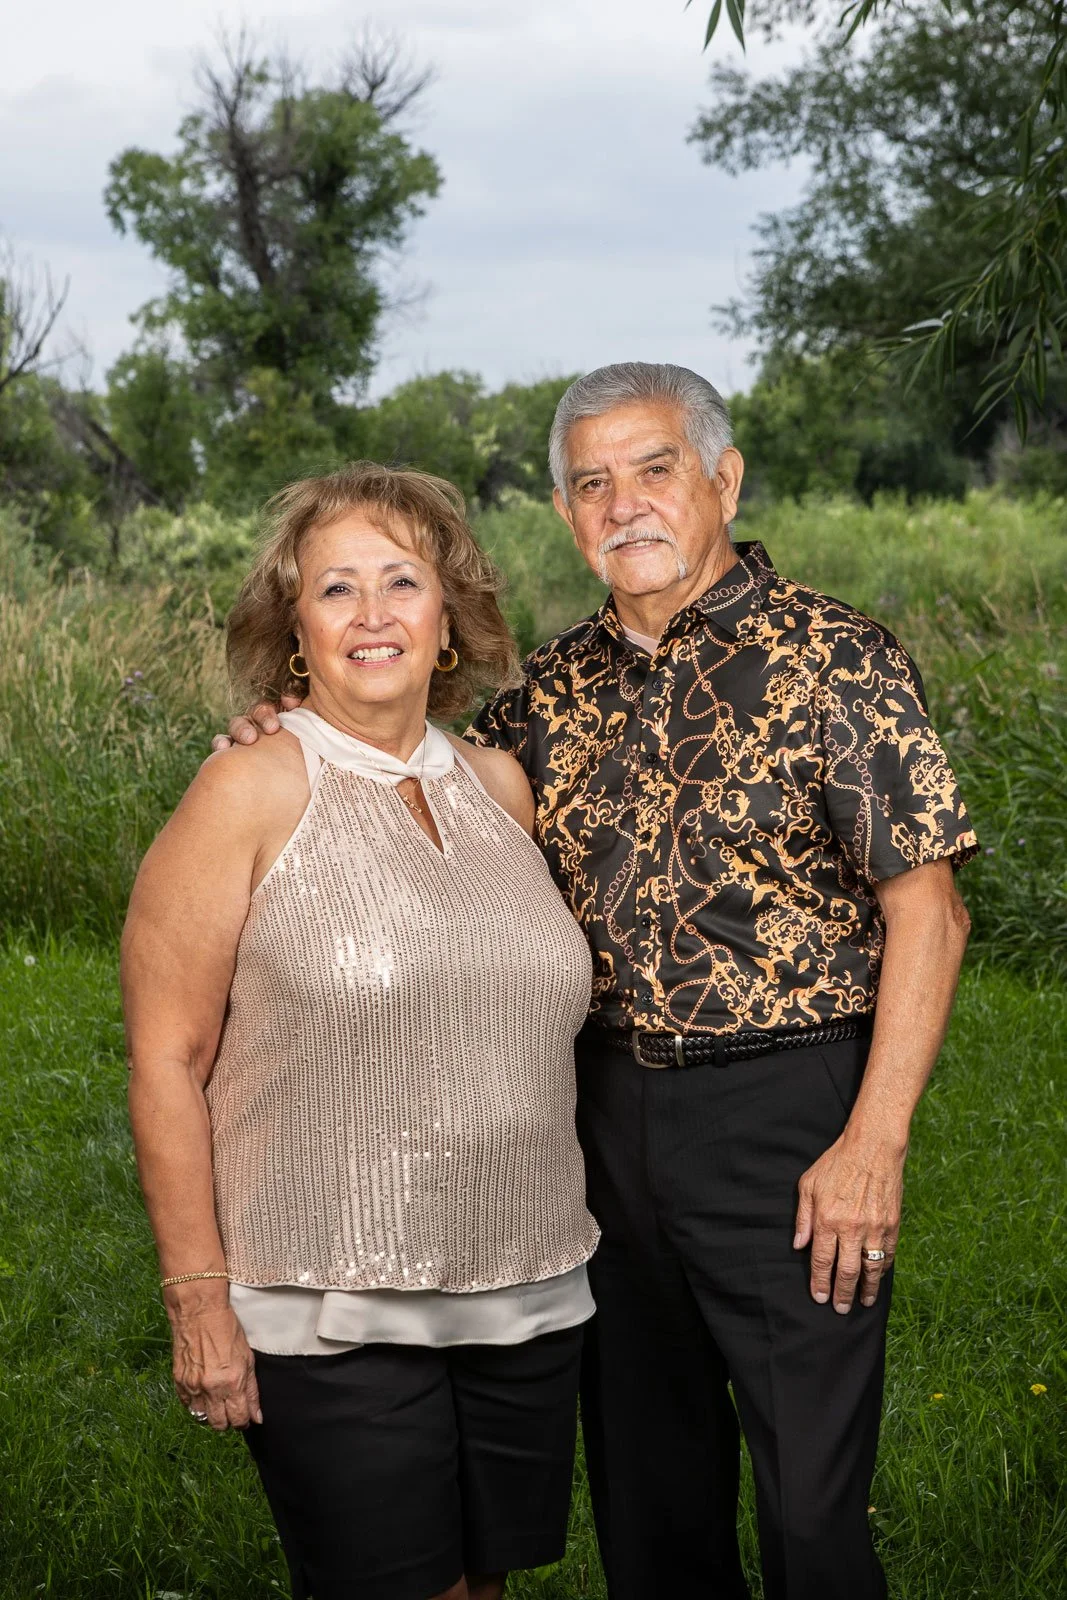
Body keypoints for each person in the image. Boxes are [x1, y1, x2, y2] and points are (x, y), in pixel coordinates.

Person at [223, 363, 977, 1600]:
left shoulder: (832, 655)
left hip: (785, 1114)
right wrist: (278, 722)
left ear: (722, 480)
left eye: (654, 468)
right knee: (649, 1494)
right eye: (590, 483)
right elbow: (405, 764)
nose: (623, 504)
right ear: (568, 518)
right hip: (596, 1122)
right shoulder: (549, 696)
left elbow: (928, 911)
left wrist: (873, 1140)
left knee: (807, 1506)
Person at [122, 463, 600, 1600]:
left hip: (523, 1288)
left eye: (402, 581)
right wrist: (197, 1298)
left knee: (483, 1588)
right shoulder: (247, 787)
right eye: (337, 589)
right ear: (297, 627)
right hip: (325, 1302)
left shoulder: (502, 786)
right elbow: (165, 1057)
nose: (374, 613)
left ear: (450, 618)